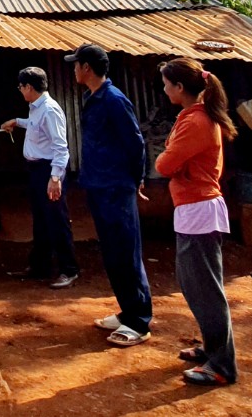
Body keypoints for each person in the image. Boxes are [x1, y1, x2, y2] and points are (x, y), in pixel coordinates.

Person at [155, 58, 238, 386]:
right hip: (197, 210)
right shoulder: (197, 117)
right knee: (197, 285)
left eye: (166, 84)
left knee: (205, 290)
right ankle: (213, 348)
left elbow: (164, 164)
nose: (164, 89)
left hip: (199, 211)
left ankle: (222, 365)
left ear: (179, 88)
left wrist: (167, 157)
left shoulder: (196, 122)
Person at [66, 43, 153, 347]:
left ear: (86, 68)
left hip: (117, 187)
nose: (74, 69)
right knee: (113, 252)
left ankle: (139, 321)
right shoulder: (92, 97)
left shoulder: (114, 100)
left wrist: (136, 179)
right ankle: (127, 310)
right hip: (99, 185)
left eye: (76, 64)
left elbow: (135, 142)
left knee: (126, 252)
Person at [1, 67, 79, 289]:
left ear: (29, 87)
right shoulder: (36, 108)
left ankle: (69, 270)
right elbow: (36, 127)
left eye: (21, 87)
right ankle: (40, 266)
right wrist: (17, 121)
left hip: (48, 170)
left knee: (57, 219)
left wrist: (55, 178)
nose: (20, 91)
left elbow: (61, 148)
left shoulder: (50, 110)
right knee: (41, 220)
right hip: (37, 171)